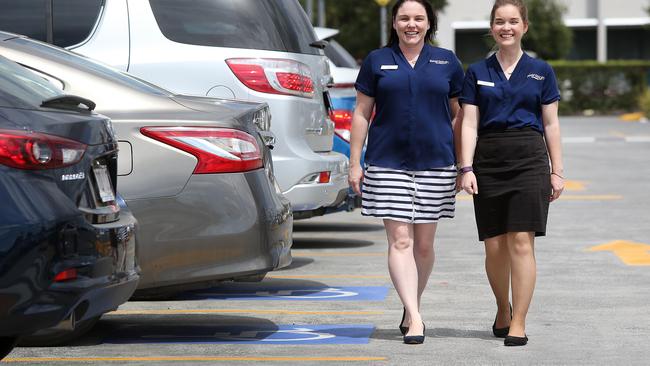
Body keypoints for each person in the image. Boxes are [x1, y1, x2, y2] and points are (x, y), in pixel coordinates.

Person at [348, 0, 464, 345]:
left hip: (437, 163)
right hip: (387, 164)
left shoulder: (447, 62)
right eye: (404, 18)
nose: (411, 24)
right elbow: (360, 112)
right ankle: (415, 317)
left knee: (424, 247)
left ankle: (410, 303)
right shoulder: (376, 61)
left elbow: (459, 115)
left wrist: (463, 163)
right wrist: (355, 162)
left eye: (418, 18)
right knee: (401, 240)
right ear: (394, 23)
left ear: (429, 24)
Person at [458, 0, 564, 347]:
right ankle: (501, 307)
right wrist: (466, 167)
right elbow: (469, 123)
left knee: (521, 241)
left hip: (530, 158)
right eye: (500, 22)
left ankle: (518, 321)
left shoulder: (541, 71)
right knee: (494, 246)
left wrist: (557, 171)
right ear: (492, 28)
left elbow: (551, 123)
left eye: (513, 22)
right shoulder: (476, 71)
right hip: (488, 160)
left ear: (524, 27)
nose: (506, 27)